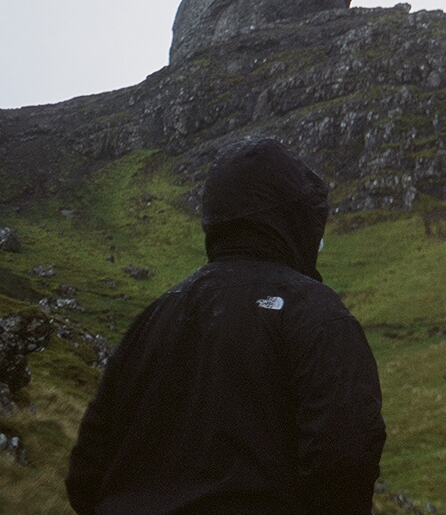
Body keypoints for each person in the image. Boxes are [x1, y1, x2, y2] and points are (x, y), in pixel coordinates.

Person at [67, 138, 386, 515]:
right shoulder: (316, 314)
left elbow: (86, 471)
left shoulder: (152, 319)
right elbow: (345, 459)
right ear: (296, 219)